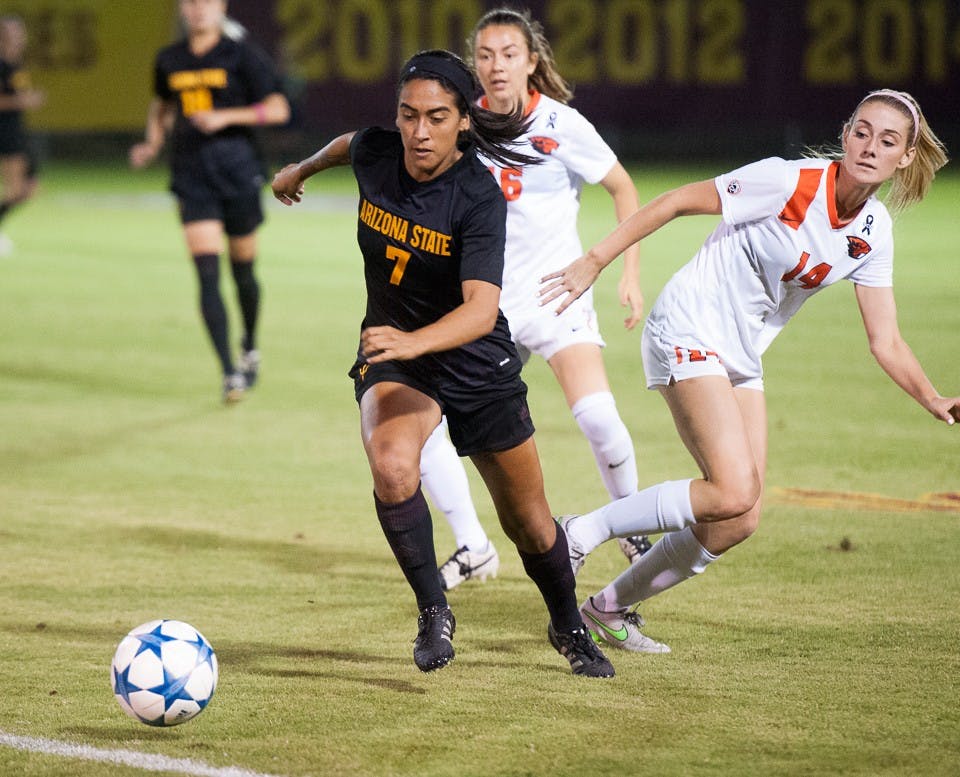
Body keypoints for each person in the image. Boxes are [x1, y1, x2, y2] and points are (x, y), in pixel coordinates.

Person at [538, 89, 960, 654]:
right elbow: (676, 201)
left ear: (904, 157)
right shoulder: (788, 181)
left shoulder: (873, 232)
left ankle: (607, 608)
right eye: (862, 131)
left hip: (739, 352)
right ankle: (581, 532)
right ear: (846, 132)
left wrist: (935, 399)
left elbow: (887, 339)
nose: (870, 146)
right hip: (687, 324)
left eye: (888, 140)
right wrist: (594, 261)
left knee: (738, 518)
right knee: (731, 486)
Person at [271, 50, 614, 677]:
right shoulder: (379, 150)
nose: (419, 132)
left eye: (435, 117)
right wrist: (302, 167)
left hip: (473, 360)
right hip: (399, 358)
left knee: (532, 527)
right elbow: (350, 144)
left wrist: (410, 342)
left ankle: (568, 625)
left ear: (463, 121)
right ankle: (434, 612)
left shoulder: (476, 195)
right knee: (393, 464)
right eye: (408, 115)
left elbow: (482, 313)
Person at [427, 7, 652, 593]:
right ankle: (473, 546)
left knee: (599, 418)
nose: (496, 65)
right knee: (424, 430)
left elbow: (623, 186)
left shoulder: (562, 124)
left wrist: (627, 271)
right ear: (473, 63)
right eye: (485, 55)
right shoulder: (462, 124)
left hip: (556, 294)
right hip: (484, 303)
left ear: (531, 61)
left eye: (508, 54)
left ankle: (631, 527)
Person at [129, 0, 289, 403]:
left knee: (243, 272)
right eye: (192, 2)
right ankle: (229, 372)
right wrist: (152, 142)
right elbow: (162, 104)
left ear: (221, 7)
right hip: (191, 176)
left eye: (207, 2)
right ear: (183, 9)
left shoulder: (242, 55)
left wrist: (227, 117)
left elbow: (277, 108)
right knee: (205, 273)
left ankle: (249, 344)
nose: (199, 9)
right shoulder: (170, 59)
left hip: (237, 173)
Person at [0, 14, 44, 255]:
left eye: (20, 33)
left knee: (31, 187)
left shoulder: (17, 65)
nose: (18, 38)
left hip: (18, 130)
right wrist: (22, 100)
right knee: (15, 189)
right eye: (11, 33)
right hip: (4, 131)